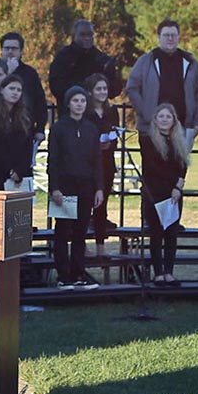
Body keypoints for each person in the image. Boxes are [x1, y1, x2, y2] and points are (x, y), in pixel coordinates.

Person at [47, 85, 103, 287]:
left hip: (86, 185)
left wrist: (99, 187)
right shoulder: (59, 128)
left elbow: (97, 160)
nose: (79, 105)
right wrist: (55, 188)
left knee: (80, 232)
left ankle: (79, 273)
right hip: (65, 185)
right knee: (62, 232)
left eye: (82, 101)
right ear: (69, 103)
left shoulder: (91, 129)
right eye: (75, 101)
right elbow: (53, 160)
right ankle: (63, 275)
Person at [125, 19, 198, 150]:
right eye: (166, 35)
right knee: (152, 170)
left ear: (178, 37)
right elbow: (132, 88)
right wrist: (146, 114)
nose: (170, 38)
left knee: (179, 170)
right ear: (159, 37)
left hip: (183, 129)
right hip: (150, 129)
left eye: (173, 35)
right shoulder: (146, 61)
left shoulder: (190, 62)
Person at [139, 103, 190, 286]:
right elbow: (153, 167)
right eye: (161, 116)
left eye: (168, 117)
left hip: (174, 193)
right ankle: (158, 272)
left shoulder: (179, 140)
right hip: (155, 191)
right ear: (155, 119)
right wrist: (174, 183)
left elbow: (183, 165)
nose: (165, 120)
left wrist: (178, 186)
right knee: (156, 233)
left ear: (174, 120)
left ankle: (169, 272)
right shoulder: (147, 139)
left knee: (171, 233)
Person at [85, 72, 121, 257]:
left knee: (102, 205)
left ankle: (101, 246)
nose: (102, 92)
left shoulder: (112, 111)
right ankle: (81, 244)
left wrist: (110, 142)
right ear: (90, 91)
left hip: (107, 162)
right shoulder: (85, 111)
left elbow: (115, 133)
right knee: (84, 204)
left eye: (104, 89)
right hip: (88, 163)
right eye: (98, 88)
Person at [48, 19, 122, 104]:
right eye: (82, 35)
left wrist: (109, 73)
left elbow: (115, 89)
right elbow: (56, 87)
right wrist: (85, 87)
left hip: (96, 112)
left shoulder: (100, 57)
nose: (87, 38)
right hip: (72, 112)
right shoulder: (63, 57)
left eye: (90, 34)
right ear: (74, 36)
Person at [0, 32, 47, 143]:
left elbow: (40, 102)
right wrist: (8, 72)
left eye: (14, 48)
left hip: (25, 128)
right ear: (1, 51)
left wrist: (40, 129)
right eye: (7, 48)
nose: (10, 52)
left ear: (21, 52)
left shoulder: (30, 73)